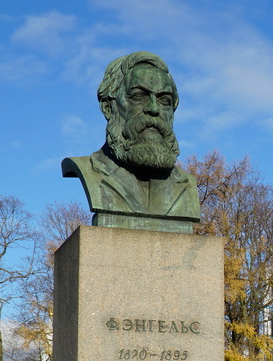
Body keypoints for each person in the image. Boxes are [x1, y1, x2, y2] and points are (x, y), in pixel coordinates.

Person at [62, 51, 200, 229]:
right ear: (108, 107)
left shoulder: (186, 183)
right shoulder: (89, 169)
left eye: (164, 100)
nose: (153, 109)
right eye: (138, 97)